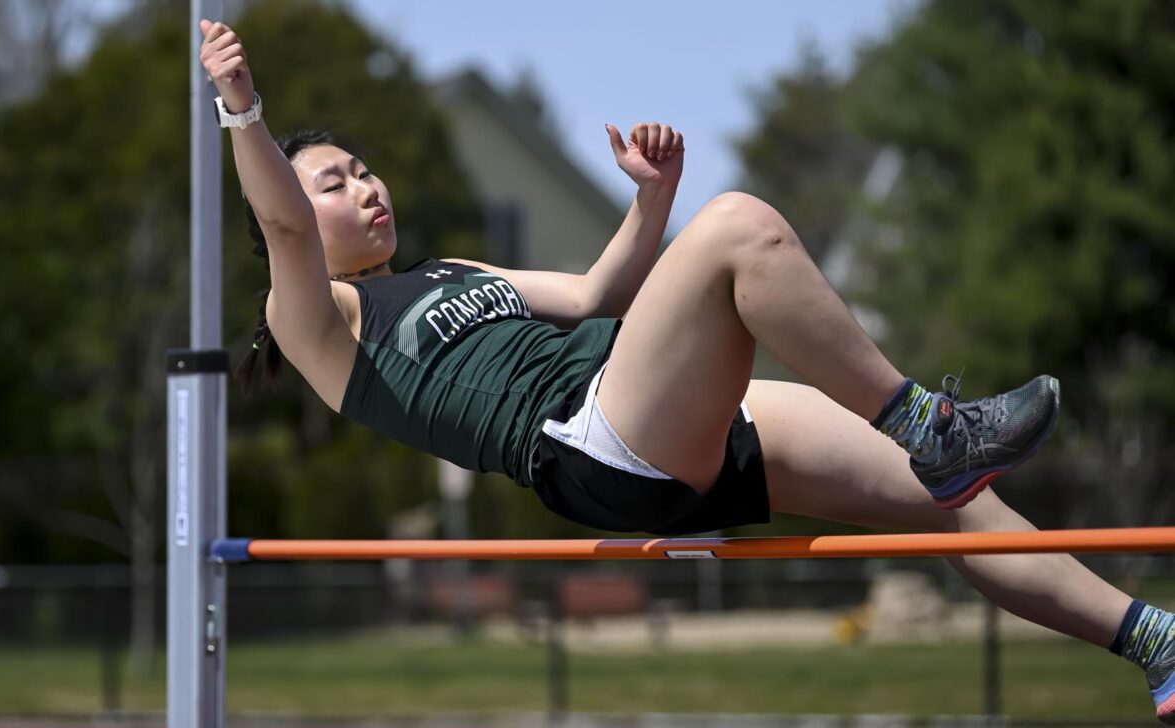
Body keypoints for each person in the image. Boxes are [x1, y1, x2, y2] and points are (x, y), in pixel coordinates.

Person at [200, 19, 1175, 721]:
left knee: (957, 503)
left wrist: (653, 198)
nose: (365, 186)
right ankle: (928, 420)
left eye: (364, 170)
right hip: (591, 443)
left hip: (647, 402)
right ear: (287, 216)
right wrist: (242, 109)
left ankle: (1155, 645)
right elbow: (282, 219)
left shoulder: (457, 270)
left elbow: (593, 295)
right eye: (337, 182)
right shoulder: (321, 319)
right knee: (742, 227)